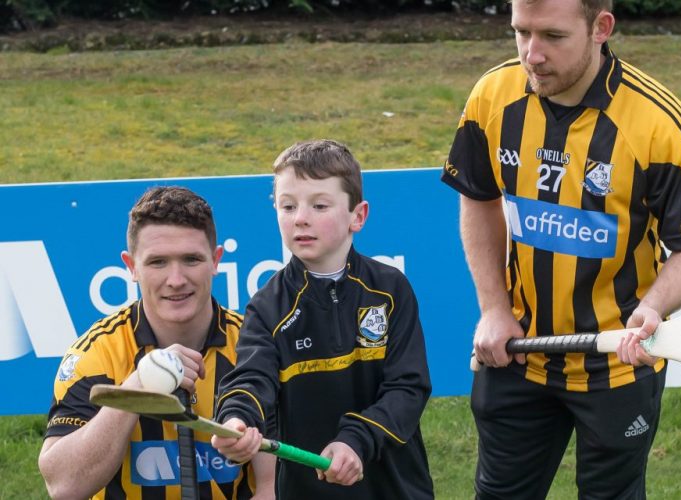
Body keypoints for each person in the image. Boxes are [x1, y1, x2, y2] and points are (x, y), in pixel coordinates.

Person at [441, 1, 681, 498]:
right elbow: (479, 200)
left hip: (619, 361)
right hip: (519, 354)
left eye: (552, 36)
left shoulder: (658, 122)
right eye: (521, 32)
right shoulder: (491, 96)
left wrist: (653, 308)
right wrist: (493, 309)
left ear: (600, 28)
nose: (532, 54)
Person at [210, 139, 435, 499]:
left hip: (396, 489)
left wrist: (356, 440)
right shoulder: (266, 307)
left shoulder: (390, 289)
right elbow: (251, 378)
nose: (300, 217)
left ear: (357, 216)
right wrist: (237, 419)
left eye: (319, 205)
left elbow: (408, 389)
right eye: (287, 206)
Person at [38, 186, 275, 499]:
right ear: (132, 267)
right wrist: (138, 386)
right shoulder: (98, 352)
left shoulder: (254, 344)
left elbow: (280, 479)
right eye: (158, 262)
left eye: (191, 259)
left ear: (216, 260)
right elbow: (63, 485)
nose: (176, 280)